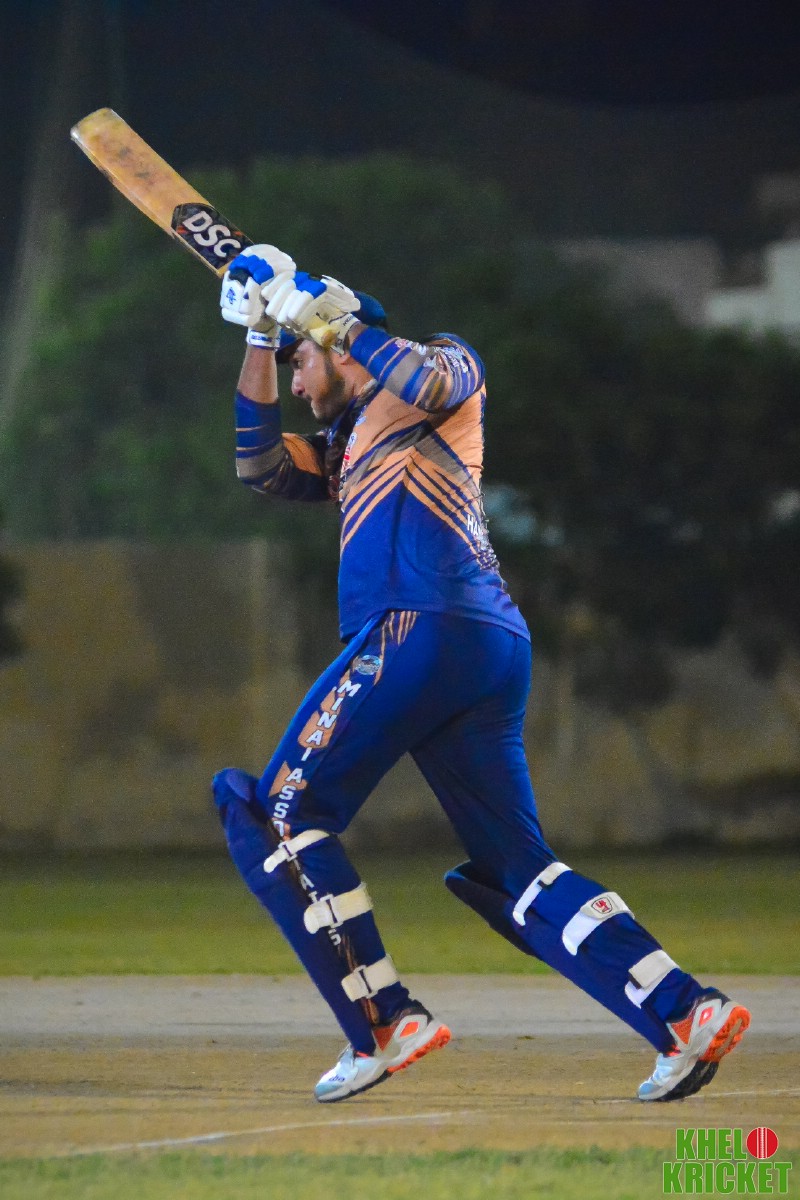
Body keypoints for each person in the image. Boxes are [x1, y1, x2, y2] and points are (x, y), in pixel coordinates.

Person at [212, 243, 750, 1104]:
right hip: (480, 648)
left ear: (337, 339)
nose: (298, 383)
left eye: (298, 359)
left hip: (418, 627)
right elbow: (260, 466)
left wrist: (327, 316)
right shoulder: (349, 442)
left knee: (275, 816)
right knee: (513, 868)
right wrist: (254, 335)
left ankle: (382, 1021)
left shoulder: (442, 365)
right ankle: (685, 1012)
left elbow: (429, 381)